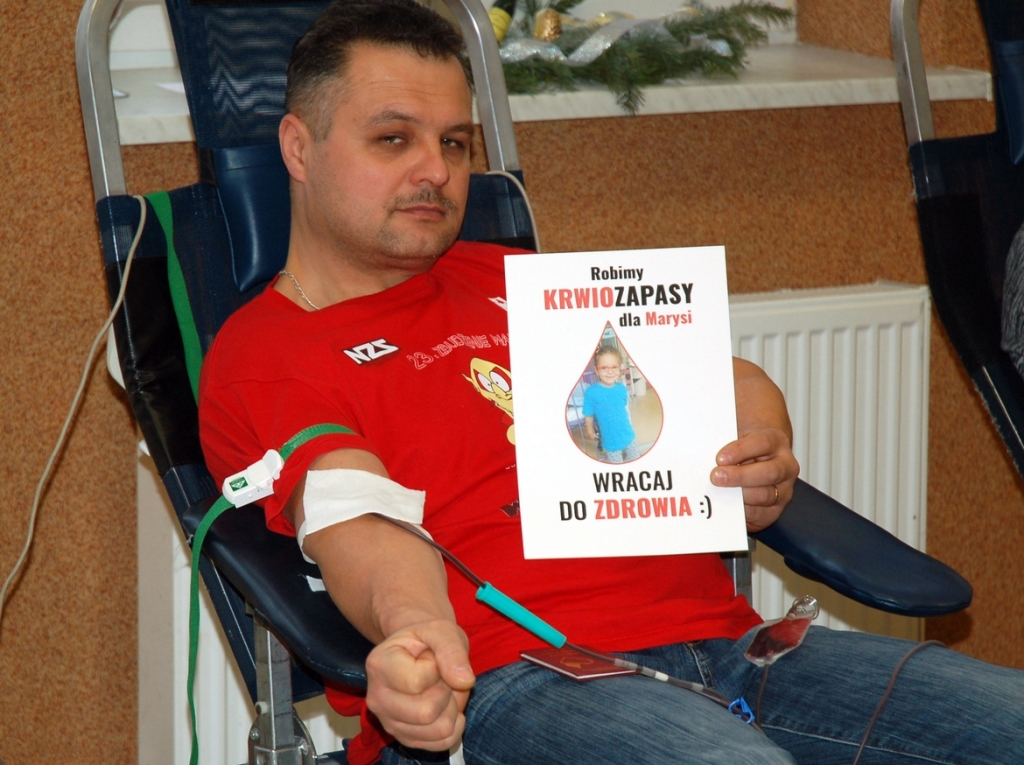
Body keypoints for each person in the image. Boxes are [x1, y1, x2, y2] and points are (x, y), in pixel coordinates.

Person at [198, 2, 1024, 764]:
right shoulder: (270, 351)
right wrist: (416, 631)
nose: (436, 171)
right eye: (393, 139)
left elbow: (725, 379)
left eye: (453, 143)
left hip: (736, 649)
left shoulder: (516, 281)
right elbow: (359, 517)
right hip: (518, 679)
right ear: (298, 148)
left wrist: (760, 446)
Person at [583, 345, 640, 462]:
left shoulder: (622, 388)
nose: (610, 371)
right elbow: (588, 414)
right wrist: (590, 431)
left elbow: (623, 409)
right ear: (596, 370)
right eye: (604, 368)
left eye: (614, 367)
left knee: (635, 458)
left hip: (628, 434)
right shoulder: (591, 392)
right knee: (616, 464)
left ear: (620, 369)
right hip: (610, 440)